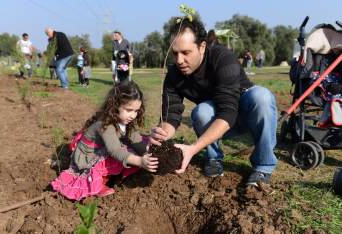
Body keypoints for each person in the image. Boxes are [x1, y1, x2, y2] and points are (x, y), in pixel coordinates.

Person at [149, 18, 278, 187]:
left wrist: (193, 149)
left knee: (262, 97)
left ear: (202, 47)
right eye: (175, 53)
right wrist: (163, 134)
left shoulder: (222, 58)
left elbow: (228, 112)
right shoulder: (174, 75)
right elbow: (171, 114)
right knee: (201, 112)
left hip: (245, 112)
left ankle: (263, 166)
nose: (179, 60)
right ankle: (214, 158)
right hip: (218, 120)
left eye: (186, 52)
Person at [51, 81, 158, 200]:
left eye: (136, 111)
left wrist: (147, 154)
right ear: (115, 106)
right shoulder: (106, 125)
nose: (133, 115)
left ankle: (112, 175)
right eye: (129, 110)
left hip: (104, 148)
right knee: (123, 151)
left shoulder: (126, 122)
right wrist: (140, 161)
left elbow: (137, 141)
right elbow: (115, 150)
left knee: (133, 146)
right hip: (88, 156)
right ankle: (98, 181)